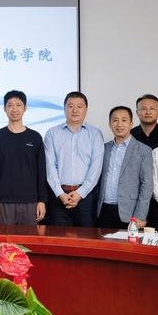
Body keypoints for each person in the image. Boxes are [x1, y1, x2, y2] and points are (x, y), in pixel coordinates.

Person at [0, 90, 47, 225]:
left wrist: (42, 200)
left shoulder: (35, 137)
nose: (14, 109)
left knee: (30, 237)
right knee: (5, 237)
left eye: (18, 105)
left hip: (31, 201)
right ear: (4, 108)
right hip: (3, 201)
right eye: (10, 105)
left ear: (25, 108)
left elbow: (42, 171)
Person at [44, 91, 105, 227]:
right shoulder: (52, 133)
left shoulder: (95, 134)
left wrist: (80, 193)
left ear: (86, 110)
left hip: (86, 197)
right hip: (58, 197)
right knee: (58, 238)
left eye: (79, 106)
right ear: (64, 108)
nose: (75, 110)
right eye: (70, 106)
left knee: (86, 238)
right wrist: (60, 194)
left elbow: (96, 168)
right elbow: (50, 165)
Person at [96, 106, 153, 230]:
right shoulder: (103, 148)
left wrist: (140, 215)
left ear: (131, 124)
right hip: (103, 211)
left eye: (124, 120)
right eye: (115, 120)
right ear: (109, 124)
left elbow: (147, 185)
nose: (119, 124)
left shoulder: (143, 150)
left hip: (130, 213)